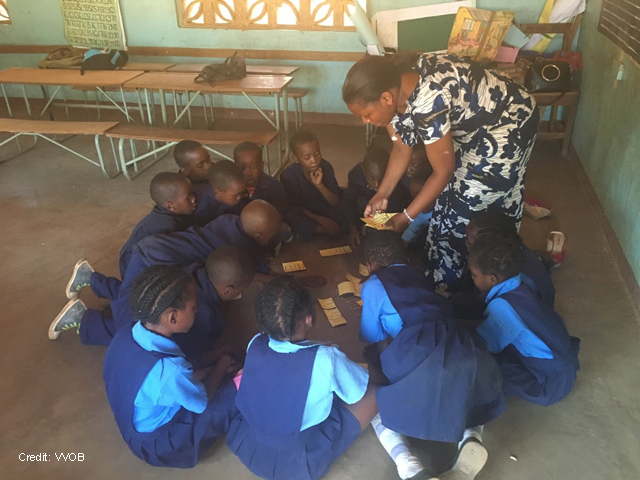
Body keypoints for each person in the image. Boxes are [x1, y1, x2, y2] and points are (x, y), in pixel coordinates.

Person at [342, 53, 540, 295]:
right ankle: (441, 274)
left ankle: (477, 282)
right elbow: (401, 146)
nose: (364, 121)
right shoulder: (394, 90)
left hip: (507, 121)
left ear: (386, 98)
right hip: (471, 125)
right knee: (445, 200)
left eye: (367, 114)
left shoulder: (428, 100)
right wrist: (381, 194)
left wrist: (405, 217)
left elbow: (442, 172)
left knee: (470, 204)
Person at [360, 231, 505, 480]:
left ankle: (410, 466)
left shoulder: (372, 284)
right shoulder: (418, 274)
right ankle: (471, 436)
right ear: (405, 257)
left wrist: (389, 369)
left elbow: (370, 336)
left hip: (417, 351)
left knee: (376, 404)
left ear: (370, 265)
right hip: (460, 346)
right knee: (469, 395)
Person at [226, 277, 379, 480]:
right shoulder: (325, 357)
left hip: (249, 445)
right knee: (376, 394)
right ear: (309, 319)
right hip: (294, 464)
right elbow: (355, 394)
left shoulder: (255, 342)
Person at [102, 265, 240, 468]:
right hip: (158, 445)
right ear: (172, 317)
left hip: (130, 421)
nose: (197, 311)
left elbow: (173, 376)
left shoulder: (127, 333)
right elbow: (203, 400)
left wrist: (213, 364)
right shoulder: (171, 371)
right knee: (233, 393)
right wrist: (222, 363)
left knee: (198, 358)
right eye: (193, 308)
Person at [49, 172, 196, 341]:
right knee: (135, 322)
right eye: (189, 197)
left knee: (133, 298)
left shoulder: (168, 217)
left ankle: (90, 278)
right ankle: (82, 319)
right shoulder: (167, 225)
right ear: (170, 205)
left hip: (137, 262)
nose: (194, 199)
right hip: (134, 264)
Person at [468, 234, 580, 406]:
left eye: (474, 275)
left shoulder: (502, 307)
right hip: (563, 366)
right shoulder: (521, 286)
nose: (472, 278)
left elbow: (482, 345)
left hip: (549, 385)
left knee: (478, 369)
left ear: (491, 278)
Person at [174, 246, 255, 364]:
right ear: (228, 291)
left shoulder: (193, 268)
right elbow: (198, 357)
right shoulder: (206, 316)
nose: (240, 294)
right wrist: (223, 352)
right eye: (240, 290)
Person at [281, 130, 345, 239]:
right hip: (306, 213)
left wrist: (319, 185)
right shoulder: (289, 176)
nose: (314, 160)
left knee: (346, 206)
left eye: (317, 154)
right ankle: (321, 229)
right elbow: (296, 207)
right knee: (289, 216)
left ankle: (318, 230)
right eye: (307, 157)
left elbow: (335, 202)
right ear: (295, 158)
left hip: (324, 208)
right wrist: (321, 221)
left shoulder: (326, 167)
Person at [344, 147, 410, 249]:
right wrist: (353, 228)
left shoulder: (400, 180)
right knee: (361, 202)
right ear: (363, 170)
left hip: (392, 221)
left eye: (382, 178)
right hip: (363, 222)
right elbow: (348, 203)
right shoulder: (356, 176)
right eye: (371, 178)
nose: (377, 184)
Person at [174, 140, 215, 225]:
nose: (209, 165)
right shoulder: (186, 195)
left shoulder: (214, 171)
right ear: (186, 171)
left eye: (208, 159)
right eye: (201, 165)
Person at [401, 164, 434, 245]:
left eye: (423, 197)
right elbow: (410, 232)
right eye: (414, 197)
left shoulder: (446, 213)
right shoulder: (420, 213)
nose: (418, 202)